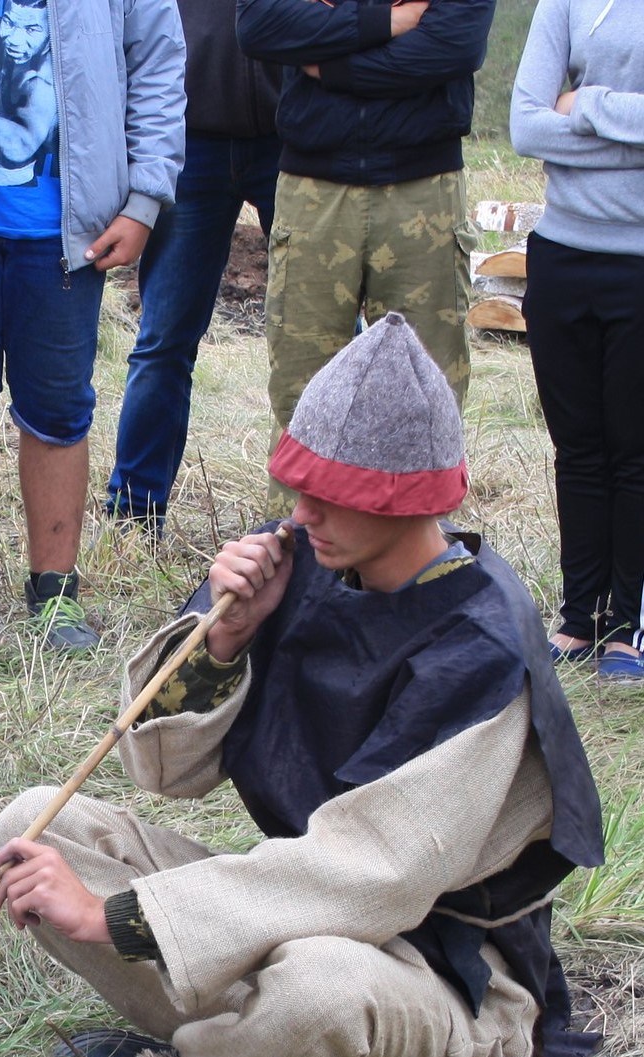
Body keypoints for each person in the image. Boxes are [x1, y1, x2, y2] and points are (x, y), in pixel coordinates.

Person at [0, 316, 603, 1057]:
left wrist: (119, 920)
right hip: (295, 912)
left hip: (440, 974)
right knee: (34, 830)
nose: (300, 510)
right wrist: (227, 635)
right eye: (298, 487)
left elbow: (373, 871)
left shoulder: (483, 643)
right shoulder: (298, 558)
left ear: (406, 502)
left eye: (330, 493)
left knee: (312, 991)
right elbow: (165, 769)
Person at [0, 0, 186, 654]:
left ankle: (54, 594)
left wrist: (143, 201)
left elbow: (158, 71)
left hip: (67, 236)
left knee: (57, 411)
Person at [238, 0, 495, 478]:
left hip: (424, 187)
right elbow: (262, 25)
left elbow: (451, 46)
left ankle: (417, 549)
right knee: (302, 396)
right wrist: (387, 21)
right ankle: (302, 549)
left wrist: (330, 65)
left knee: (426, 397)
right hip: (314, 187)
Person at [105, 0, 281, 530]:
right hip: (189, 136)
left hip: (296, 135)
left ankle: (342, 509)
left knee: (329, 338)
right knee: (164, 337)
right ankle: (134, 512)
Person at [509, 0, 644, 684]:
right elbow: (525, 125)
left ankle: (628, 623)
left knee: (634, 450)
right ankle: (578, 614)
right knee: (578, 448)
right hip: (561, 253)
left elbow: (558, 115)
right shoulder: (564, 2)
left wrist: (584, 102)